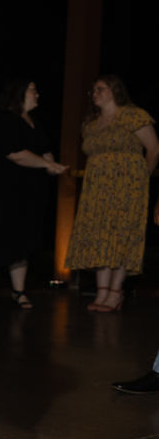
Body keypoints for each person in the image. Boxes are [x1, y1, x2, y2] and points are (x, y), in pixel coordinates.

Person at [0, 80, 67, 311]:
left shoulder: (34, 122)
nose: (37, 94)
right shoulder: (5, 119)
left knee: (22, 241)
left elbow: (44, 151)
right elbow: (15, 153)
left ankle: (18, 291)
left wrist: (54, 166)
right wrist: (47, 164)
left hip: (30, 193)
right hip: (5, 192)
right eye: (33, 90)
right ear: (19, 94)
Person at [65, 75, 159, 312]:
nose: (94, 93)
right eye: (93, 90)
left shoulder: (133, 115)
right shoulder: (91, 124)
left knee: (121, 235)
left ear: (115, 91)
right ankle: (102, 292)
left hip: (128, 188)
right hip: (97, 190)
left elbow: (154, 149)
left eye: (100, 89)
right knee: (99, 236)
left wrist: (141, 179)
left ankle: (116, 294)